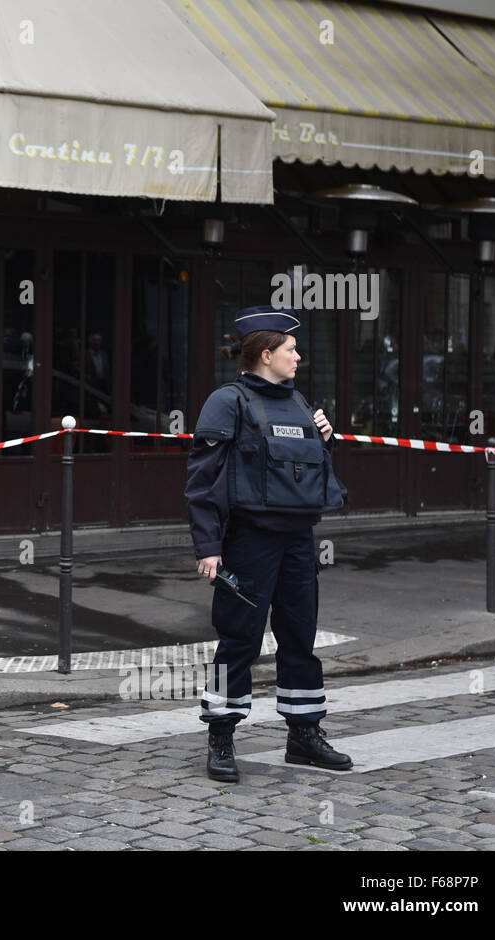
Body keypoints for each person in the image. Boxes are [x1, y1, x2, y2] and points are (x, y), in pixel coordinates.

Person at [184, 306, 351, 782]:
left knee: (300, 637)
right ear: (265, 354)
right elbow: (202, 480)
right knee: (237, 639)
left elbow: (306, 472)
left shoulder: (299, 403)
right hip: (248, 541)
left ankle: (304, 735)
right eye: (291, 350)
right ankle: (220, 735)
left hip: (298, 538)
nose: (298, 357)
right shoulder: (226, 402)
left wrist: (326, 438)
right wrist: (208, 546)